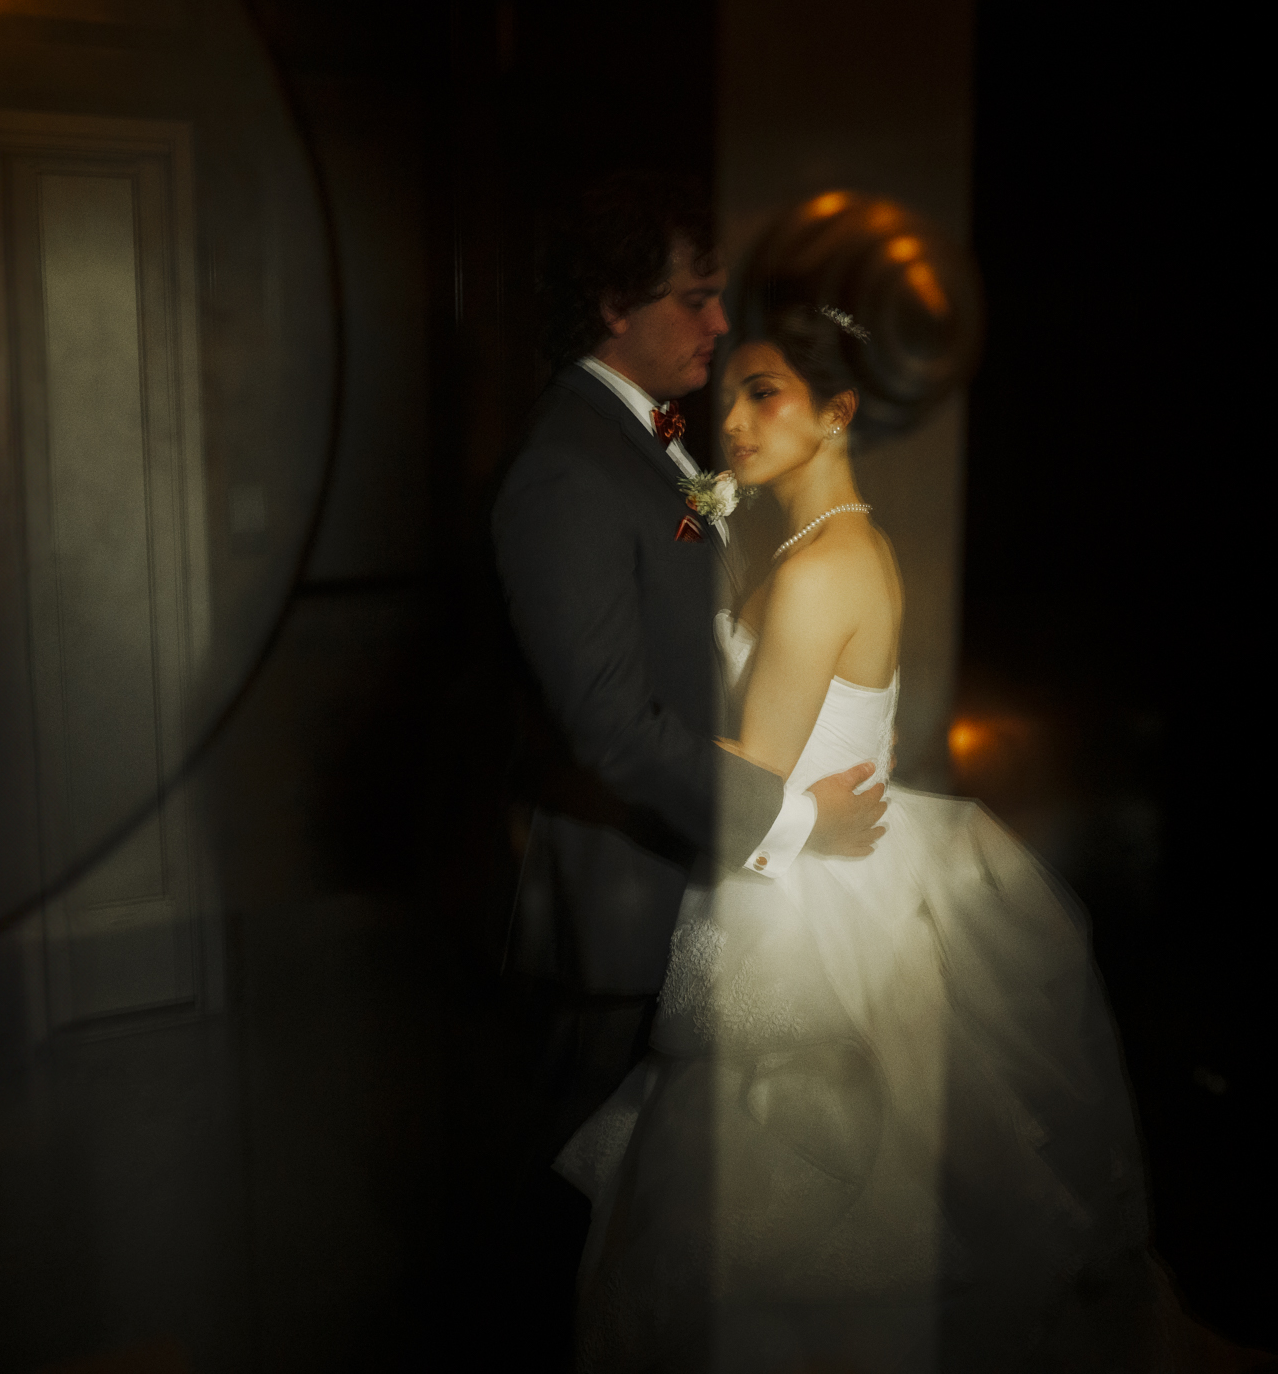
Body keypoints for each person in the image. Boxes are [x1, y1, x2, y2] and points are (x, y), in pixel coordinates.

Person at [563, 271, 1212, 1374]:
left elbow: (751, 777)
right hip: (799, 861)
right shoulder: (806, 548)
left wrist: (627, 727)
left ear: (838, 411)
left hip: (802, 906)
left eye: (764, 394)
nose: (732, 421)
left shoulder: (823, 571)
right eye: (729, 397)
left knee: (797, 1223)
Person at [490, 173, 891, 1320]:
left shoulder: (643, 444)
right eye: (698, 299)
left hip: (680, 876)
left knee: (646, 1213)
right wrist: (797, 817)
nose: (719, 330)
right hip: (607, 904)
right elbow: (611, 726)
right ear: (616, 302)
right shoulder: (566, 467)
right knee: (577, 1211)